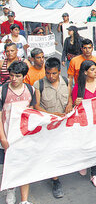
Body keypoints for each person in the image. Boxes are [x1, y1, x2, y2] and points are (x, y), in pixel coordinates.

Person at [0, 61, 36, 204]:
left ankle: (24, 200)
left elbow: (32, 113)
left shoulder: (30, 90)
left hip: (23, 137)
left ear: (24, 76)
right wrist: (2, 137)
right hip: (8, 136)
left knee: (24, 166)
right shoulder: (3, 91)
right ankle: (11, 189)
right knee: (10, 166)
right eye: (12, 76)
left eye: (17, 76)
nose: (14, 79)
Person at [33, 57, 68, 198]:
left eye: (54, 73)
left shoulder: (66, 81)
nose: (50, 76)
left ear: (59, 71)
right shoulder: (38, 84)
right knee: (52, 152)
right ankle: (55, 181)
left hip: (64, 124)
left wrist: (70, 103)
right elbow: (36, 105)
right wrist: (51, 115)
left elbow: (70, 96)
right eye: (48, 73)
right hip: (48, 125)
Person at [67, 39, 96, 106]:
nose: (87, 50)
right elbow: (69, 81)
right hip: (80, 90)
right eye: (85, 48)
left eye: (89, 48)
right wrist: (70, 101)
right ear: (81, 49)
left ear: (92, 48)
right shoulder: (74, 61)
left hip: (95, 91)